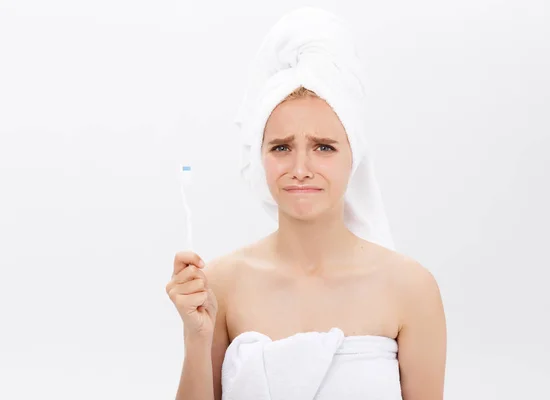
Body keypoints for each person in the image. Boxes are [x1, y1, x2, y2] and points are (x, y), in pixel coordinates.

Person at [166, 8, 446, 400]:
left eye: (323, 147)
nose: (301, 168)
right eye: (281, 147)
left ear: (354, 156)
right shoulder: (221, 284)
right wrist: (197, 338)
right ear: (260, 156)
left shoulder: (410, 289)